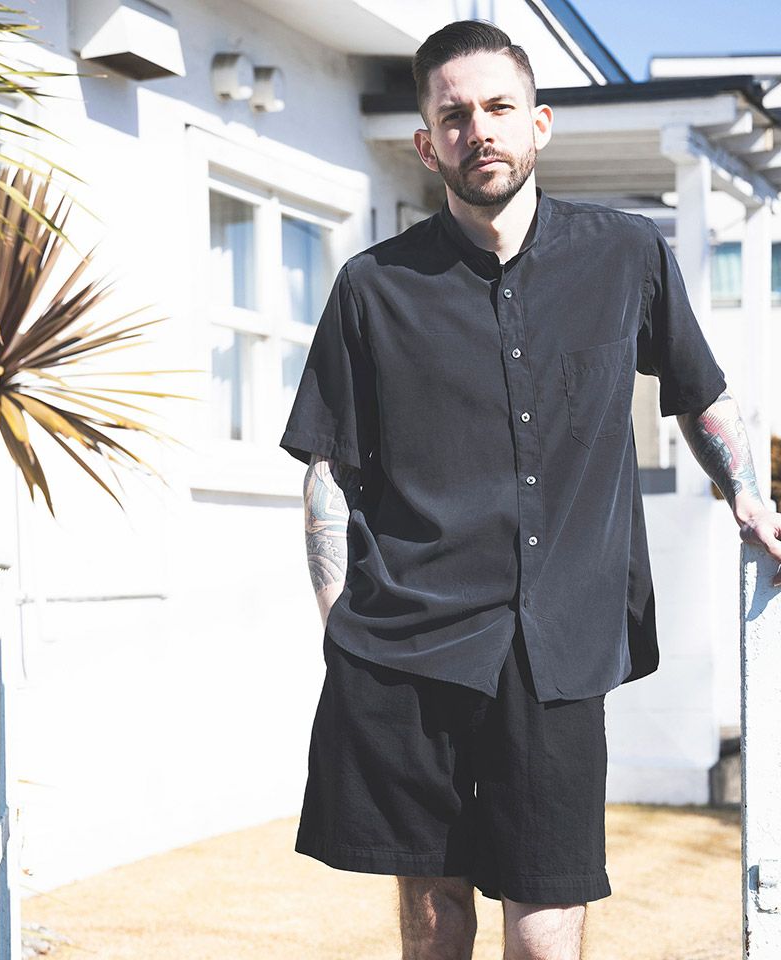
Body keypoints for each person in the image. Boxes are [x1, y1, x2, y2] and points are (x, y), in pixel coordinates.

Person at [279, 19, 781, 960]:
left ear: (539, 123)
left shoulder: (626, 255)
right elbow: (329, 472)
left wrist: (746, 494)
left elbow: (700, 394)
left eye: (499, 108)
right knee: (435, 919)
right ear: (426, 142)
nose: (479, 130)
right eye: (454, 116)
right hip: (409, 647)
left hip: (558, 648)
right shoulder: (372, 287)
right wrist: (338, 623)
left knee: (548, 925)